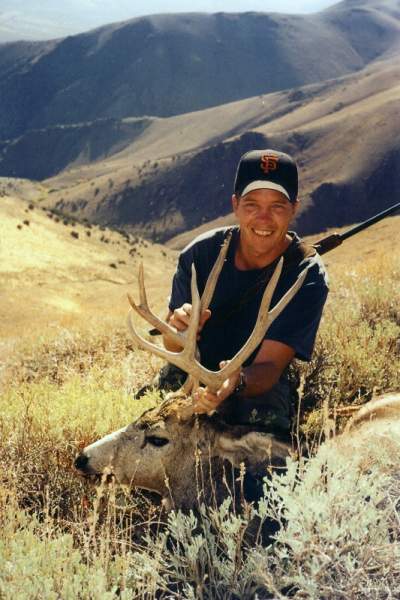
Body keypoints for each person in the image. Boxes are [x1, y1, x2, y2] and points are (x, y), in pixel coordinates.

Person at [160, 149, 329, 438]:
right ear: (236, 205)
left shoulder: (307, 276)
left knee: (260, 447)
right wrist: (177, 330)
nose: (264, 219)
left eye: (277, 206)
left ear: (294, 208)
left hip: (252, 384)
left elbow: (270, 367)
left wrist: (233, 383)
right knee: (143, 422)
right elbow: (172, 346)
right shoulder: (199, 255)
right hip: (192, 369)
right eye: (252, 205)